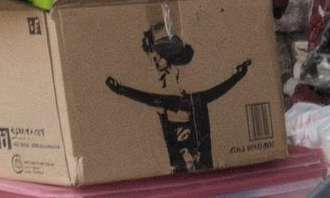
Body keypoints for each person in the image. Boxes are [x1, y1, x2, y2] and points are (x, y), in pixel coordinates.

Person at [104, 59, 254, 172]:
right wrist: (120, 90)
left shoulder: (192, 101)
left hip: (200, 175)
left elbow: (218, 91)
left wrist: (239, 75)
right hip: (186, 174)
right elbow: (148, 98)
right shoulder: (174, 102)